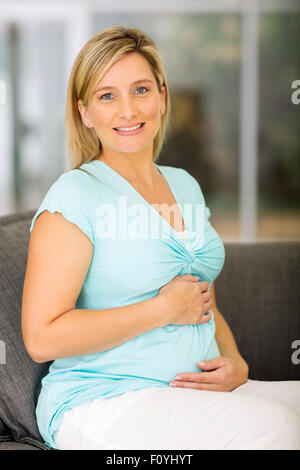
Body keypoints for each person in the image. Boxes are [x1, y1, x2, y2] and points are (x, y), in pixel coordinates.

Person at [21, 25, 300, 450]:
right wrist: (162, 309)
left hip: (189, 391)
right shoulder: (75, 195)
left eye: (141, 89)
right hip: (101, 401)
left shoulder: (184, 184)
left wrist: (237, 363)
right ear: (84, 112)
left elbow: (201, 298)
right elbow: (41, 338)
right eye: (107, 95)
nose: (128, 110)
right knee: (278, 428)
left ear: (163, 96)